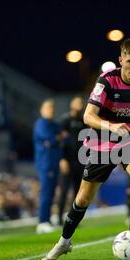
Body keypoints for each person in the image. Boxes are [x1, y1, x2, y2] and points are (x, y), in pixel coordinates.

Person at [41, 38, 130, 260]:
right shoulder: (106, 81)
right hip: (103, 142)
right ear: (121, 60)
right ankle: (64, 242)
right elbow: (88, 116)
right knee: (83, 199)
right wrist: (112, 126)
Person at [34, 99, 63, 234]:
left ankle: (48, 220)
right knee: (46, 192)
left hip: (54, 161)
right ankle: (42, 222)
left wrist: (56, 138)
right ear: (42, 110)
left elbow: (64, 138)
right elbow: (50, 138)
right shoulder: (41, 124)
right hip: (45, 163)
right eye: (48, 108)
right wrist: (57, 138)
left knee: (51, 193)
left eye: (52, 108)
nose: (51, 110)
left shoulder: (54, 124)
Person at [57, 95, 86, 226]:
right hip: (68, 160)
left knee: (77, 191)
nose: (80, 105)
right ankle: (58, 218)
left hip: (80, 160)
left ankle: (74, 219)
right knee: (64, 190)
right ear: (71, 105)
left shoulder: (84, 120)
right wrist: (62, 159)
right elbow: (61, 141)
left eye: (81, 103)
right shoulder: (65, 120)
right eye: (77, 102)